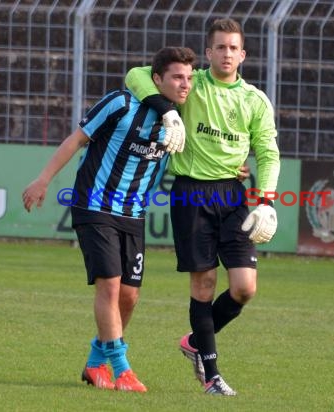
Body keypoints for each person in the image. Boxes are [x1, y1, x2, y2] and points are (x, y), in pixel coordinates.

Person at [22, 47, 197, 392]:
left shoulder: (176, 119)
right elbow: (77, 139)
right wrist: (43, 179)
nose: (185, 84)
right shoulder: (120, 103)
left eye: (189, 78)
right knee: (110, 285)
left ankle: (94, 362)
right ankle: (122, 369)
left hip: (133, 214)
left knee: (129, 297)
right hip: (95, 206)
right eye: (177, 77)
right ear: (156, 78)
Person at [125, 18, 280, 395]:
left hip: (232, 195)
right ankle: (212, 378)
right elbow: (135, 75)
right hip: (191, 193)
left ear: (242, 55)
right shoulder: (190, 85)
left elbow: (268, 152)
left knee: (244, 287)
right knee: (205, 283)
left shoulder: (254, 99)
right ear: (208, 52)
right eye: (220, 47)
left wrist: (266, 201)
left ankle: (196, 341)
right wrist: (168, 110)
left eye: (233, 48)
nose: (227, 54)